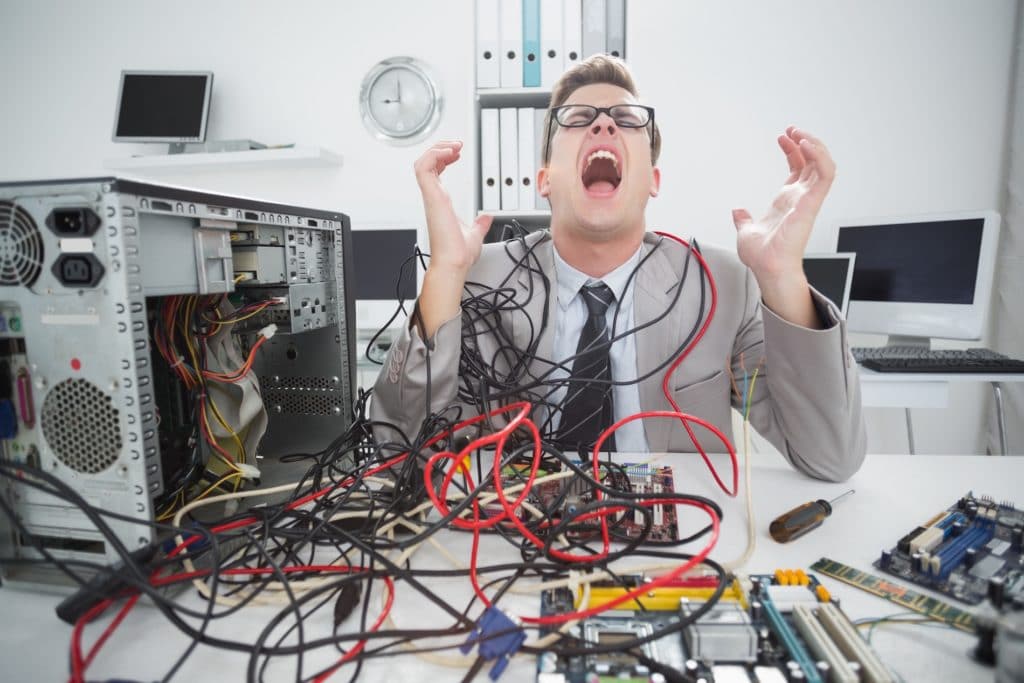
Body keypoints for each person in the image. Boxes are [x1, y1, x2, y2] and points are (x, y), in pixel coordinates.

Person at [371, 55, 866, 483]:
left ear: (652, 180)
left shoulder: (722, 284)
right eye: (579, 117)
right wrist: (443, 278)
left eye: (627, 120)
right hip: (513, 540)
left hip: (681, 540)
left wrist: (782, 278)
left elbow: (829, 458)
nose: (603, 126)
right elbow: (398, 457)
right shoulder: (481, 278)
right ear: (544, 179)